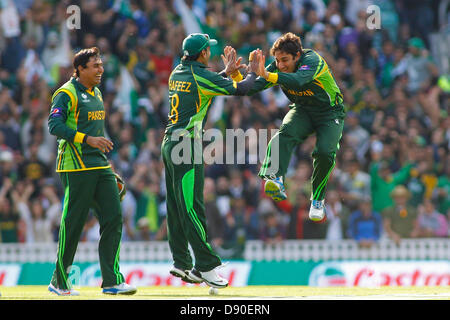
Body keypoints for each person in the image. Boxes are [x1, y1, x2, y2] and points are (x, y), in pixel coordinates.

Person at [161, 33, 264, 288]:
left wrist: (225, 72)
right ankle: (206, 266)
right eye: (209, 49)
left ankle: (182, 262)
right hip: (187, 146)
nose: (210, 52)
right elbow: (242, 90)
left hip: (169, 143)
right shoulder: (201, 75)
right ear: (204, 53)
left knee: (176, 206)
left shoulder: (178, 72)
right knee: (192, 207)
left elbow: (203, 86)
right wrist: (251, 71)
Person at [224, 32, 346, 222]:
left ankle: (318, 199)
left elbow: (298, 80)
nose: (280, 65)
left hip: (329, 113)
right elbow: (251, 88)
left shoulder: (313, 60)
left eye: (285, 60)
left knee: (324, 152)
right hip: (303, 109)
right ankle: (275, 178)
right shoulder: (276, 67)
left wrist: (267, 73)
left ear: (297, 56)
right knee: (285, 133)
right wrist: (235, 74)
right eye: (277, 60)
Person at [47, 47, 136, 296]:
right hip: (75, 165)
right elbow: (54, 125)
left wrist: (100, 148)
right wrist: (87, 140)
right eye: (95, 66)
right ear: (80, 69)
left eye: (101, 65)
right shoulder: (66, 93)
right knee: (73, 224)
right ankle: (60, 281)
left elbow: (96, 133)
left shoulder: (96, 92)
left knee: (113, 217)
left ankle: (111, 280)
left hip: (99, 164)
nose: (100, 70)